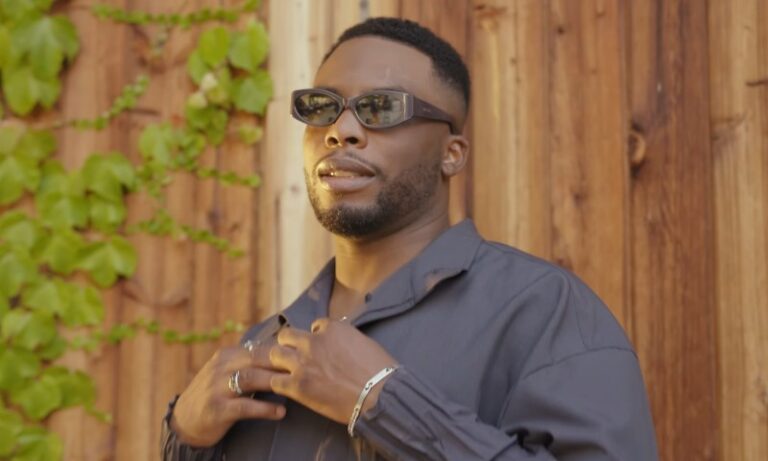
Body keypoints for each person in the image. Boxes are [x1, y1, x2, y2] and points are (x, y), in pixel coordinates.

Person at [162, 17, 658, 460]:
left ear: (453, 153)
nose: (342, 130)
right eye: (322, 107)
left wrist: (381, 401)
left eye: (380, 108)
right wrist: (184, 438)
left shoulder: (546, 313)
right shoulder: (266, 344)